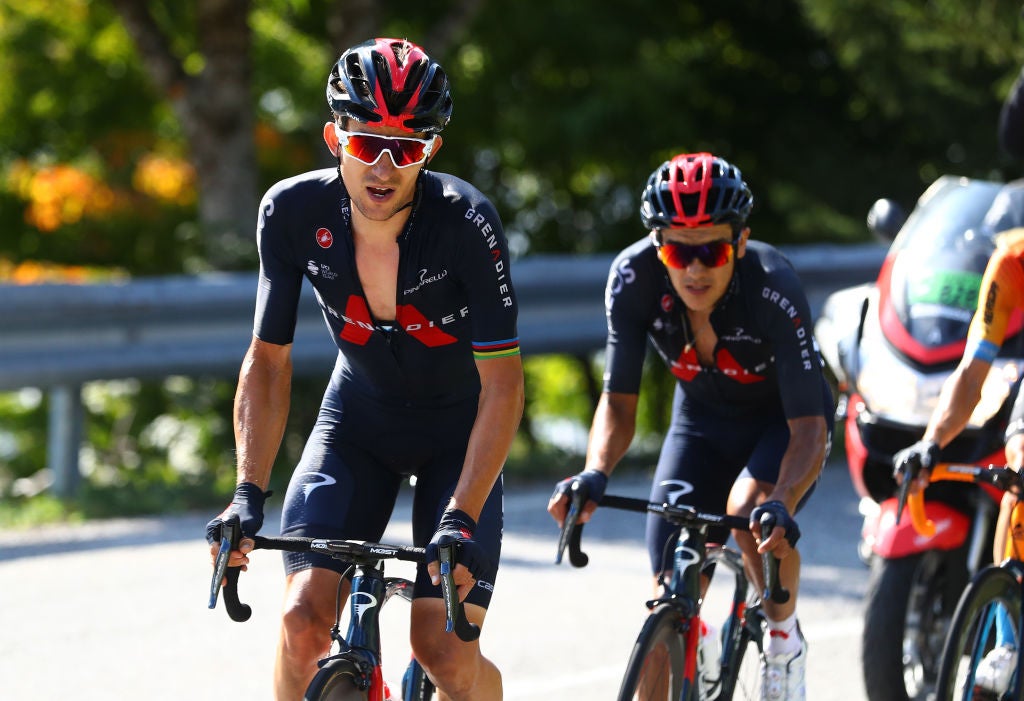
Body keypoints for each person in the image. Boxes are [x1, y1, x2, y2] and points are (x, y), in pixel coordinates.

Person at [204, 38, 524, 701]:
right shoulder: (291, 213)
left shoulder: (467, 223)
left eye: (405, 148)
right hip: (358, 424)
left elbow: (503, 385)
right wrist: (246, 494)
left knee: (442, 651)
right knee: (300, 620)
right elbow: (268, 363)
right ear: (333, 136)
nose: (383, 165)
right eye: (366, 142)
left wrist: (462, 514)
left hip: (457, 438)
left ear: (429, 152)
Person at [547, 152, 833, 701]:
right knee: (669, 591)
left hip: (783, 422)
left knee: (750, 509)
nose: (695, 269)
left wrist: (785, 496)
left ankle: (782, 642)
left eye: (712, 250)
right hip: (700, 424)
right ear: (659, 247)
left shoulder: (773, 286)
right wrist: (594, 472)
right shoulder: (632, 279)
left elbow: (809, 427)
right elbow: (618, 402)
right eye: (679, 250)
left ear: (741, 242)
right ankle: (686, 641)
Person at [892, 225, 1024, 696]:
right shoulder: (1012, 261)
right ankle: (1007, 643)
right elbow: (972, 372)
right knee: (1020, 465)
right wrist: (932, 443)